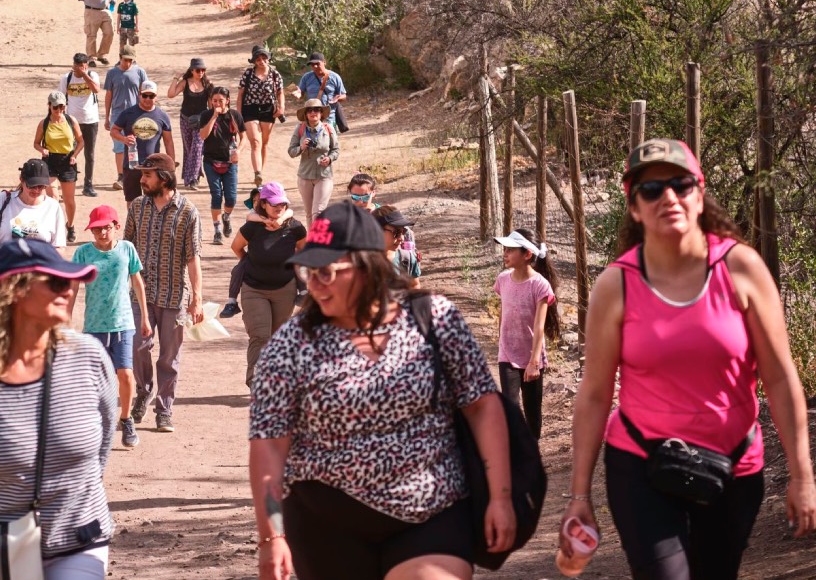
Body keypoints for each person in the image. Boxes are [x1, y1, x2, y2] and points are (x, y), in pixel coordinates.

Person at [561, 138, 815, 580]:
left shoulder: (742, 269)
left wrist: (802, 474)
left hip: (733, 466)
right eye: (651, 190)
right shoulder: (615, 287)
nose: (669, 197)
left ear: (700, 194)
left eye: (680, 185)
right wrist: (579, 496)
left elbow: (778, 377)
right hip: (640, 463)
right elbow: (596, 394)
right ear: (634, 207)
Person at [249, 201, 515, 580]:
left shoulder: (434, 319)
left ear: (367, 266)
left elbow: (482, 407)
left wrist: (501, 497)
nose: (314, 284)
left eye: (326, 272)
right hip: (326, 528)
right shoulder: (290, 344)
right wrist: (272, 535)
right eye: (308, 272)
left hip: (431, 513)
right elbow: (269, 446)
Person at [0, 237, 116, 578]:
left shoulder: (89, 357)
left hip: (79, 536)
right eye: (56, 282)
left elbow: (102, 441)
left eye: (72, 282)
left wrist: (71, 492)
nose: (69, 291)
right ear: (15, 289)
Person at [124, 153, 204, 434]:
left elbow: (193, 257)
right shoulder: (137, 207)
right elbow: (126, 249)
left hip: (174, 296)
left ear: (164, 178)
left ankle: (164, 409)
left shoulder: (188, 212)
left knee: (170, 357)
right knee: (137, 346)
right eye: (142, 175)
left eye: (147, 175)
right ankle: (142, 392)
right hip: (140, 294)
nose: (142, 180)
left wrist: (197, 298)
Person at [70, 205, 153, 449]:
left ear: (116, 226)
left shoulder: (127, 249)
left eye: (106, 228)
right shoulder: (83, 253)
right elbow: (72, 287)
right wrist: (66, 319)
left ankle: (126, 420)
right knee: (95, 379)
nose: (102, 233)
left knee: (125, 373)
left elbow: (137, 283)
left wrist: (145, 318)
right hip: (94, 324)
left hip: (123, 323)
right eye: (96, 229)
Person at [230, 182, 306, 387]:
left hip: (285, 289)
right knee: (260, 336)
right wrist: (250, 262)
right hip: (254, 289)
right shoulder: (252, 227)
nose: (279, 207)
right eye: (274, 203)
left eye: (282, 203)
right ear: (263, 204)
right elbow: (236, 247)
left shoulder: (295, 227)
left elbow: (304, 249)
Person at [492, 228, 559, 440]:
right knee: (510, 407)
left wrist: (534, 362)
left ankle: (532, 452)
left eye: (510, 250)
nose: (505, 254)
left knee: (532, 413)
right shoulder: (503, 280)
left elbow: (539, 326)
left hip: (531, 357)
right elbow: (503, 313)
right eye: (505, 249)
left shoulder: (539, 285)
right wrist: (501, 343)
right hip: (507, 355)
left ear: (527, 254)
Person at [219, 187, 297, 319]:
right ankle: (231, 301)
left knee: (297, 265)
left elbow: (290, 211)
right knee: (237, 270)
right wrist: (247, 259)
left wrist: (280, 219)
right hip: (254, 257)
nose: (256, 203)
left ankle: (304, 292)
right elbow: (249, 217)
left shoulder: (282, 214)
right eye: (254, 201)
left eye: (259, 200)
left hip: (281, 262)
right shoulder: (254, 214)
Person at [0, 159, 68, 253]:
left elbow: (60, 247)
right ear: (21, 179)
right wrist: (3, 254)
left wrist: (43, 259)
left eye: (41, 186)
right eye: (32, 185)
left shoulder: (53, 207)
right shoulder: (3, 200)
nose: (36, 190)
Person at [111, 81, 174, 206]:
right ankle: (133, 219)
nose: (147, 99)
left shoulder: (162, 116)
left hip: (153, 166)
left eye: (151, 96)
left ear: (156, 97)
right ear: (139, 95)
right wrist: (124, 139)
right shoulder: (128, 113)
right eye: (145, 95)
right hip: (132, 165)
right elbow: (114, 131)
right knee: (132, 201)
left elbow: (168, 141)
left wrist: (171, 165)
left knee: (153, 200)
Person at [34, 91, 85, 243]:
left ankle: (70, 225)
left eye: (62, 106)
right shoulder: (44, 123)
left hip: (68, 161)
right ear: (49, 106)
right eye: (55, 107)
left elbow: (81, 141)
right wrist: (42, 150)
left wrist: (75, 155)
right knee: (53, 198)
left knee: (69, 200)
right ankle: (55, 228)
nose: (59, 110)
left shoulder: (71, 120)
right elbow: (36, 143)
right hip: (50, 160)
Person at [197, 85, 244, 244]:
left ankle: (226, 217)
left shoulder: (235, 115)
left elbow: (244, 137)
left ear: (227, 101)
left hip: (230, 162)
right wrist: (213, 117)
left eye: (220, 100)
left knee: (231, 198)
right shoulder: (206, 115)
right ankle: (217, 231)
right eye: (214, 100)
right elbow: (203, 135)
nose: (217, 103)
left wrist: (239, 151)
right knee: (216, 195)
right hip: (211, 161)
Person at [238, 45, 286, 187]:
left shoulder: (275, 74)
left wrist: (281, 108)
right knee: (255, 142)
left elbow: (280, 93)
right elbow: (240, 95)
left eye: (264, 58)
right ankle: (257, 173)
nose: (261, 61)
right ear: (254, 61)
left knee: (264, 143)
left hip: (268, 109)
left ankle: (260, 173)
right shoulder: (248, 74)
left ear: (268, 58)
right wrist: (238, 114)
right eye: (258, 59)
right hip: (249, 108)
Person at [288, 99, 340, 227]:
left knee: (318, 213)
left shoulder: (328, 128)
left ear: (321, 113)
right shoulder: (300, 129)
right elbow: (291, 151)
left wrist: (330, 159)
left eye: (316, 110)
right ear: (306, 114)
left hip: (324, 176)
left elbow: (336, 150)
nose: (313, 113)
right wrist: (301, 147)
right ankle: (311, 239)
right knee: (309, 214)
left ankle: (317, 239)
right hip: (305, 176)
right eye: (309, 110)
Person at [103, 45, 148, 190]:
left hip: (136, 114)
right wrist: (107, 117)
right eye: (125, 59)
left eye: (130, 60)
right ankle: (121, 175)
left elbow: (145, 93)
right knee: (119, 146)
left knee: (138, 144)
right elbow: (109, 95)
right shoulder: (112, 73)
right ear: (120, 57)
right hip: (117, 114)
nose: (128, 63)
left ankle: (139, 174)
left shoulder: (140, 72)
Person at [166, 58, 213, 190]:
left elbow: (211, 106)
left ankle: (193, 179)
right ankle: (192, 174)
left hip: (201, 122)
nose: (201, 72)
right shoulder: (185, 83)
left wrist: (211, 121)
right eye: (198, 70)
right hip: (185, 119)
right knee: (188, 149)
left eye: (203, 70)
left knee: (197, 147)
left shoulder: (208, 85)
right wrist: (176, 78)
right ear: (192, 70)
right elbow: (171, 94)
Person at [60, 53, 102, 197]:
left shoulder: (92, 75)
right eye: (77, 66)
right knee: (69, 153)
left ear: (86, 65)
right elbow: (61, 99)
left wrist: (84, 75)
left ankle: (88, 185)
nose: (79, 69)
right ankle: (68, 184)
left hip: (90, 120)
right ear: (73, 65)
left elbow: (96, 90)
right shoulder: (66, 78)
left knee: (89, 154)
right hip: (72, 122)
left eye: (82, 66)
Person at [298, 52, 349, 133]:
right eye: (312, 65)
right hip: (312, 116)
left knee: (330, 138)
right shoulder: (306, 77)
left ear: (324, 62)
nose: (315, 66)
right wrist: (298, 94)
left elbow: (343, 96)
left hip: (329, 117)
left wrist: (338, 98)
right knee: (312, 139)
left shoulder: (335, 77)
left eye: (317, 64)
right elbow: (300, 93)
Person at [79, 0, 114, 67]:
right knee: (91, 35)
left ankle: (101, 54)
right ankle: (91, 57)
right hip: (92, 10)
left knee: (109, 32)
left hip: (105, 9)